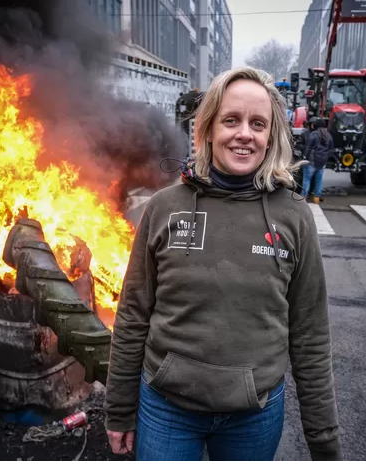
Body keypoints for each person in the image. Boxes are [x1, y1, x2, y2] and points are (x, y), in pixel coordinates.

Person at [104, 66, 342, 461]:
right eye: (231, 120)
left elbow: (310, 333)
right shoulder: (164, 207)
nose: (244, 133)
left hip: (254, 416)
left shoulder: (294, 216)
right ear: (208, 128)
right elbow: (132, 316)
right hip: (167, 411)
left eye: (258, 123)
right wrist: (120, 409)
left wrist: (323, 439)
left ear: (271, 137)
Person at [301, 118, 333, 203]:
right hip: (322, 163)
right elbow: (330, 149)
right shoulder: (328, 136)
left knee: (306, 180)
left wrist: (304, 157)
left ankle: (303, 198)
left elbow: (308, 147)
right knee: (319, 181)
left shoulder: (314, 134)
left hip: (311, 161)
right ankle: (316, 198)